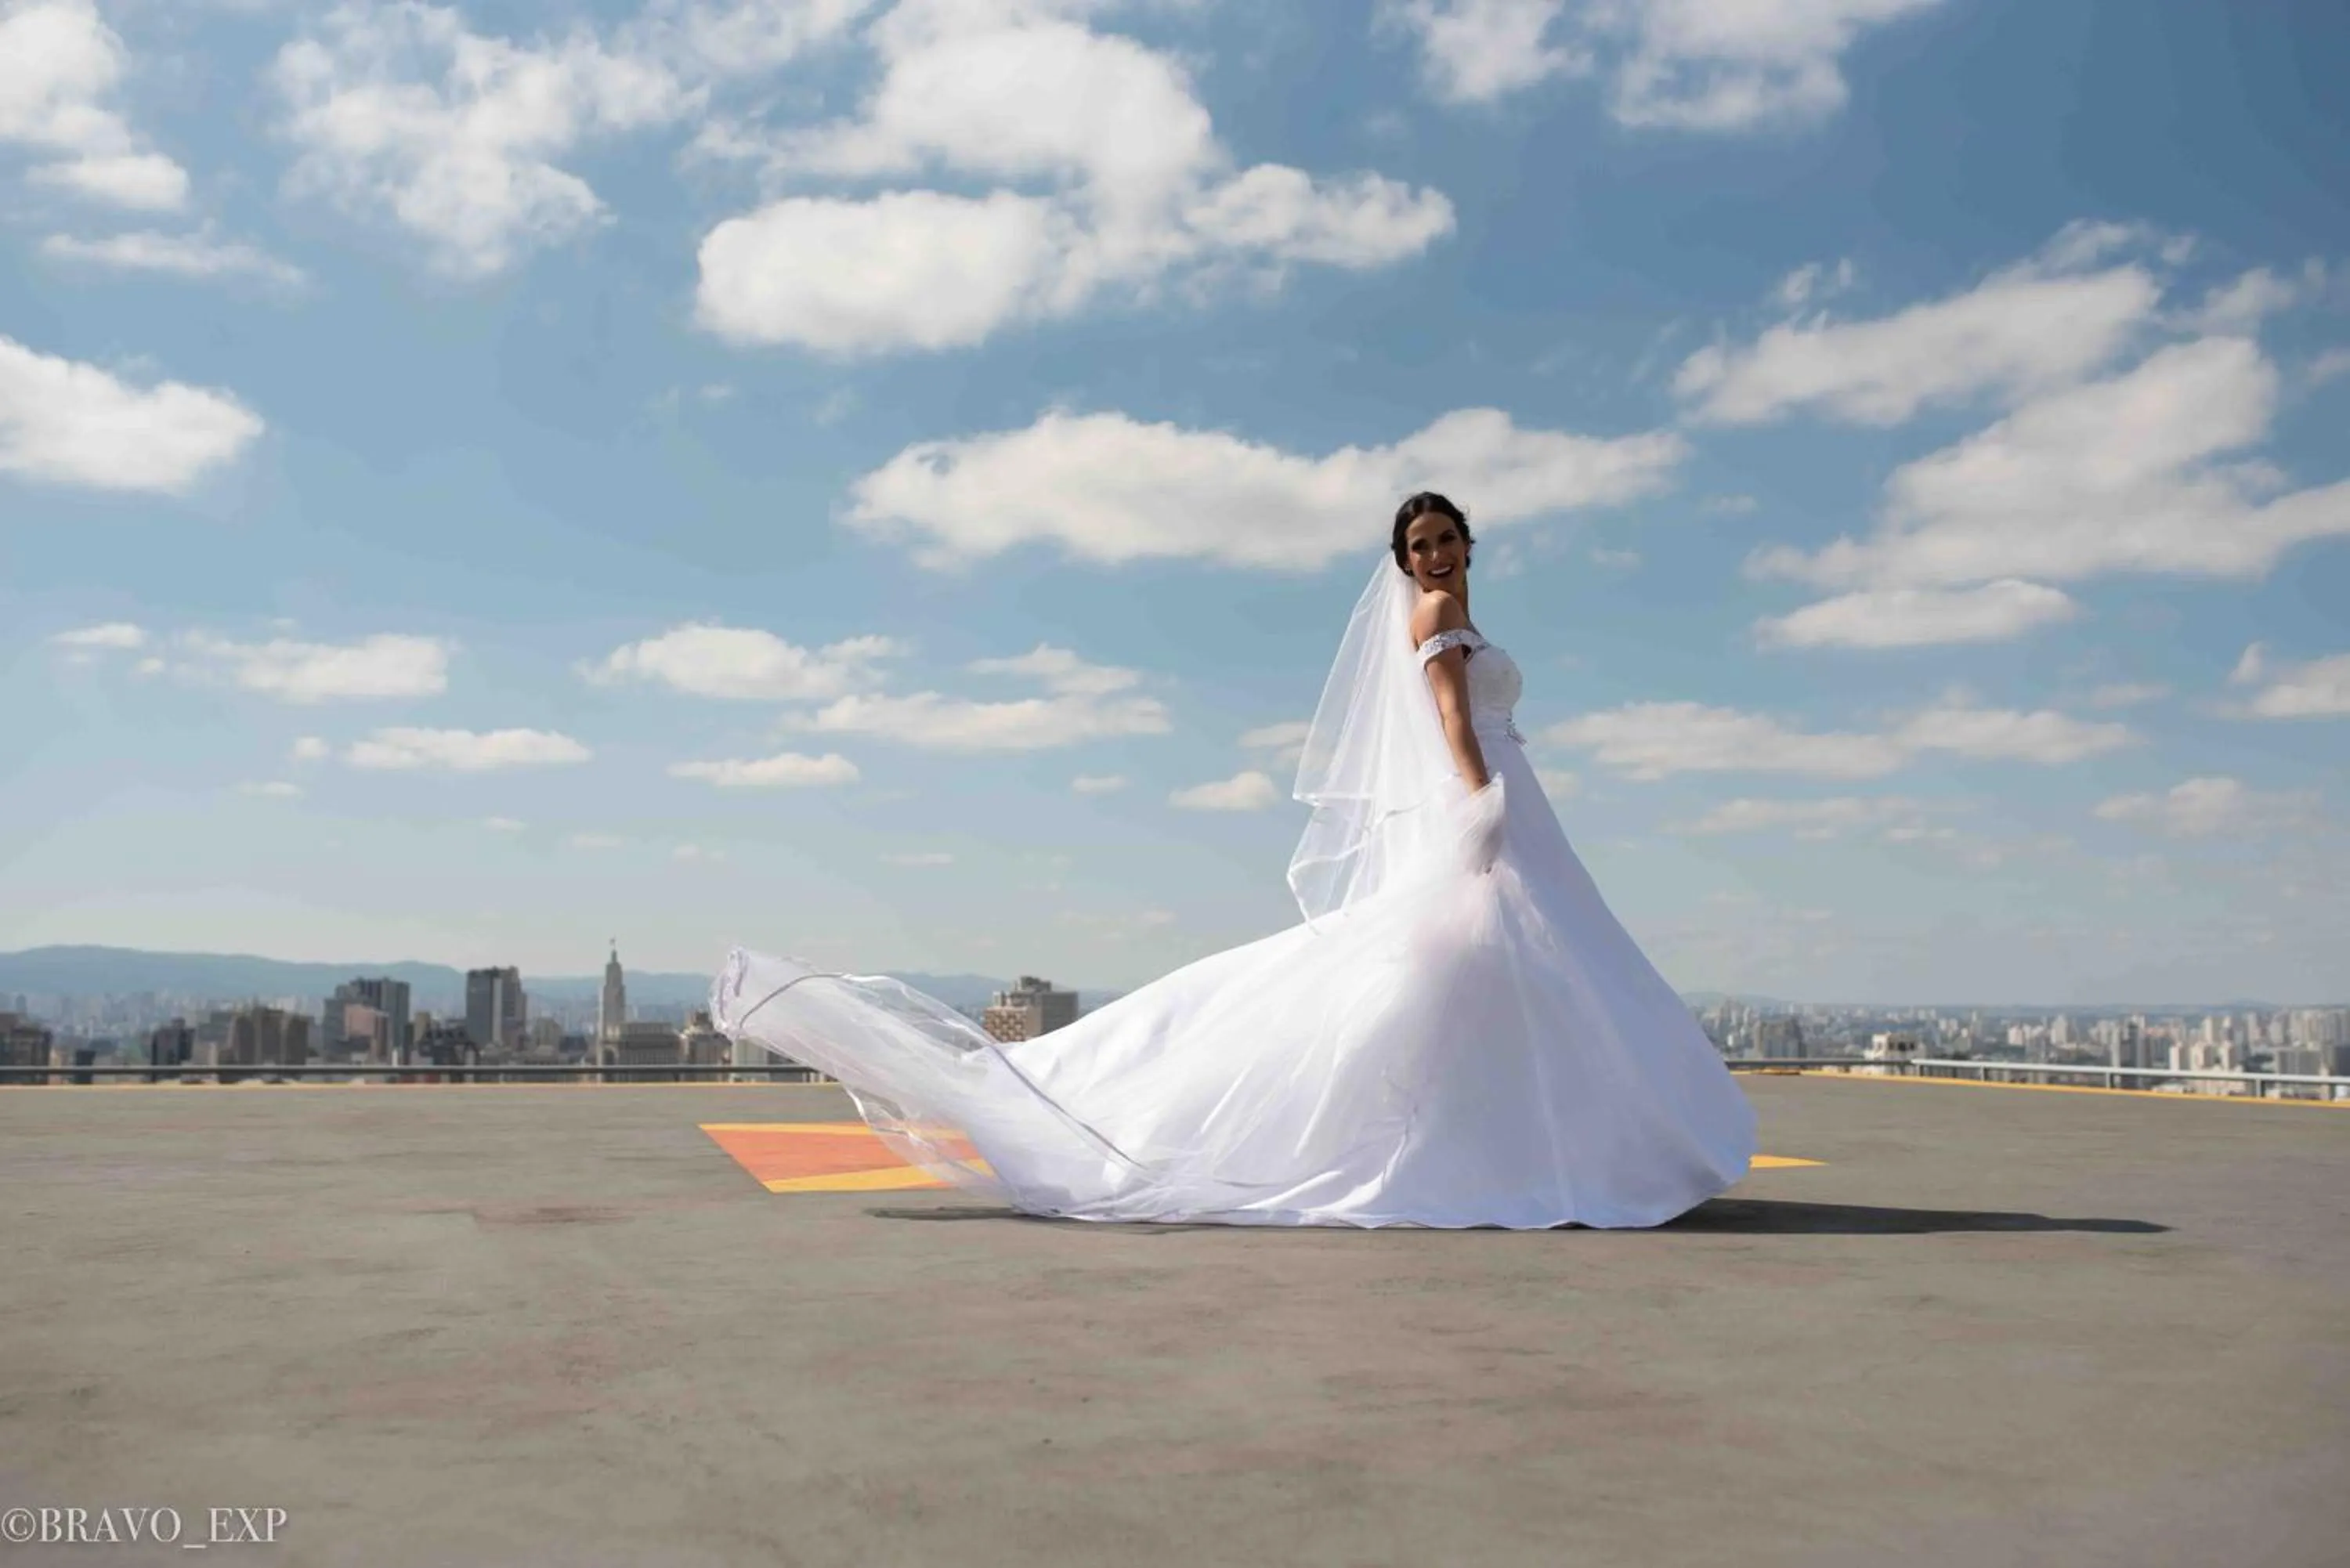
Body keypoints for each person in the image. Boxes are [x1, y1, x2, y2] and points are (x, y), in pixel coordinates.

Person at [711, 492, 1759, 1228]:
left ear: (1469, 543)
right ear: (1406, 566)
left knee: (1498, 979)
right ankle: (1543, 1148)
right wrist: (1480, 800)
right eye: (1419, 545)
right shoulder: (1438, 621)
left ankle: (1524, 1145)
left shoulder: (1459, 611)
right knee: (1499, 973)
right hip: (1489, 802)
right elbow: (1449, 716)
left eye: (1445, 538)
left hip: (1504, 800)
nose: (1434, 556)